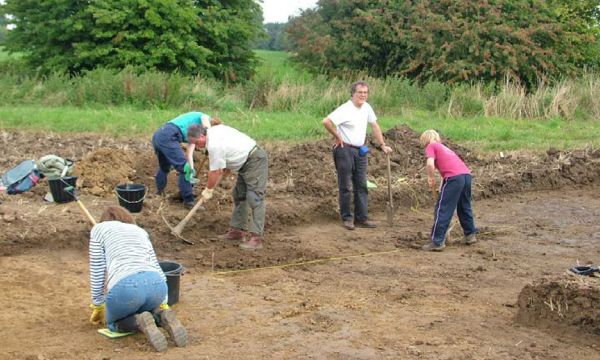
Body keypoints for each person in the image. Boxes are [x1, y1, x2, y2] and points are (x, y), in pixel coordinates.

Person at [88, 205, 188, 352]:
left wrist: (98, 303)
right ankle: (161, 316)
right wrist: (163, 302)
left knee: (113, 322)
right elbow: (156, 265)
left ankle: (138, 322)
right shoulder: (140, 231)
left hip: (127, 287)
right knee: (145, 308)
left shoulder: (98, 229)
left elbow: (97, 268)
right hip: (157, 285)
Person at [322, 81, 393, 230]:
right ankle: (347, 218)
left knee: (361, 184)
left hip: (360, 151)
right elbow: (326, 121)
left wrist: (382, 145)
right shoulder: (345, 109)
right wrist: (337, 136)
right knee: (346, 186)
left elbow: (374, 125)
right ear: (353, 94)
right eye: (360, 92)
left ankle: (362, 218)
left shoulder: (367, 108)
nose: (363, 95)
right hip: (344, 150)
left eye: (365, 93)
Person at [188, 123, 268, 250]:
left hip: (254, 160)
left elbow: (215, 172)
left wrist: (208, 190)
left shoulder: (214, 144)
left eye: (198, 142)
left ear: (203, 135)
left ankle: (256, 239)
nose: (198, 147)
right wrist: (227, 165)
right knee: (239, 195)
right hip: (244, 162)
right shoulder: (214, 131)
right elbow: (230, 146)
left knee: (255, 198)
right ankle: (237, 231)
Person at [419, 130, 478, 251]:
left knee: (443, 208)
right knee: (464, 206)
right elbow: (448, 169)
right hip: (466, 176)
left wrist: (430, 177)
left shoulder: (431, 145)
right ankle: (470, 235)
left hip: (454, 178)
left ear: (425, 140)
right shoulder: (444, 148)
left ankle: (437, 241)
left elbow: (430, 164)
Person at [152, 111, 215, 208]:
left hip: (159, 135)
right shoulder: (206, 119)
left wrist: (191, 171)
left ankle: (159, 193)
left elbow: (189, 153)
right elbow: (204, 119)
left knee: (165, 167)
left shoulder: (194, 132)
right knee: (184, 168)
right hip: (169, 135)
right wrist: (211, 141)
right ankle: (189, 201)